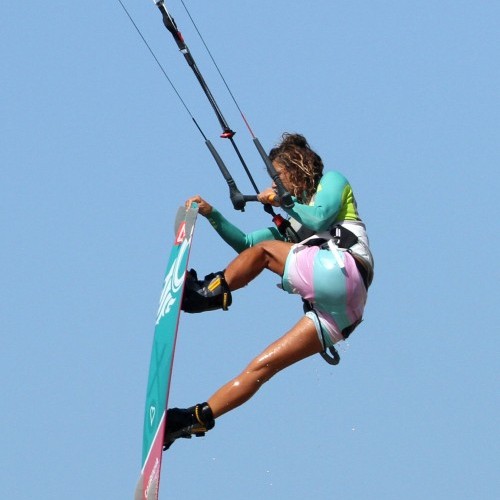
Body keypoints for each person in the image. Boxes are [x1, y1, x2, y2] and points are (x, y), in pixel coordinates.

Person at [163, 133, 374, 449]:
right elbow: (247, 246)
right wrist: (212, 215)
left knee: (265, 252)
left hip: (343, 270)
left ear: (295, 167)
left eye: (278, 175)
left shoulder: (332, 182)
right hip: (343, 312)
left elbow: (317, 217)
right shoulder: (291, 222)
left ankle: (207, 294)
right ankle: (193, 419)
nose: (276, 183)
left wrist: (285, 202)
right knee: (263, 366)